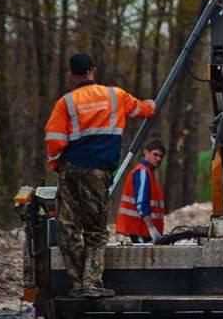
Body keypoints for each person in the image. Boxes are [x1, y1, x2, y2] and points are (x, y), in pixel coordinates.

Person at [44, 53, 156, 297]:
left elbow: (54, 139)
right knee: (95, 230)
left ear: (72, 74)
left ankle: (77, 284)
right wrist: (152, 105)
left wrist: (56, 165)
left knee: (69, 227)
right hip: (98, 171)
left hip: (71, 169)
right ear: (93, 70)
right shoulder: (115, 96)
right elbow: (143, 109)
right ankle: (92, 284)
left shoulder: (66, 103)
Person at [116, 140, 167, 244]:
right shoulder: (143, 172)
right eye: (155, 154)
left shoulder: (147, 172)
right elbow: (141, 203)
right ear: (146, 153)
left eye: (161, 156)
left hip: (142, 229)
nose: (158, 159)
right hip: (140, 228)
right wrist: (152, 228)